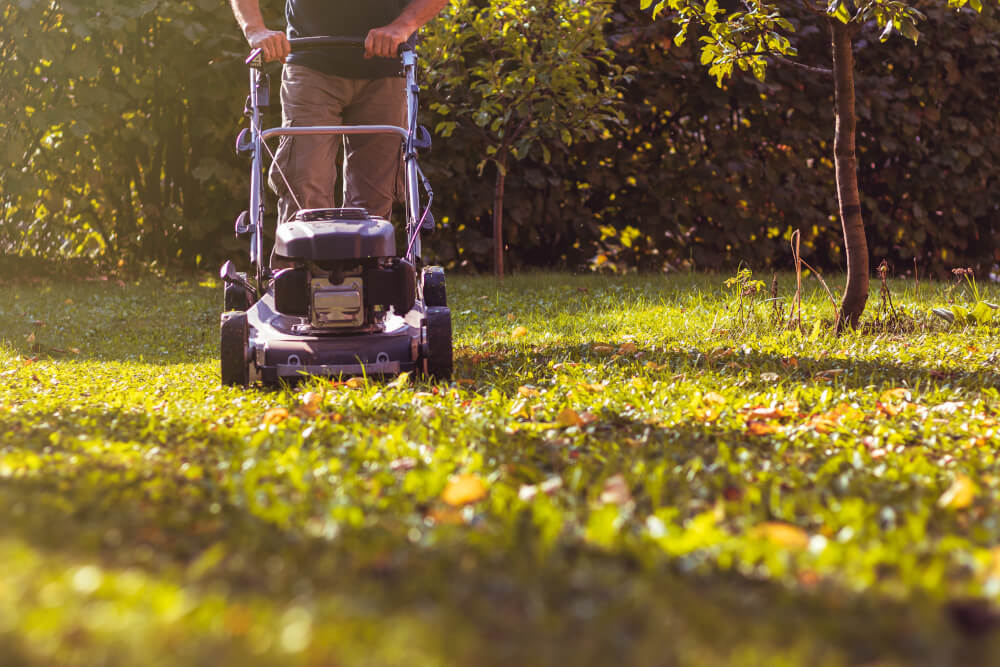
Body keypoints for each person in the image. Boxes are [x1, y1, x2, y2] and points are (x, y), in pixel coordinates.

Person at [229, 0, 449, 226]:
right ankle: (300, 260)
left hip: (388, 67)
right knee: (304, 188)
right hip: (311, 64)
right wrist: (255, 30)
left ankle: (366, 261)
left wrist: (403, 26)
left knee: (373, 207)